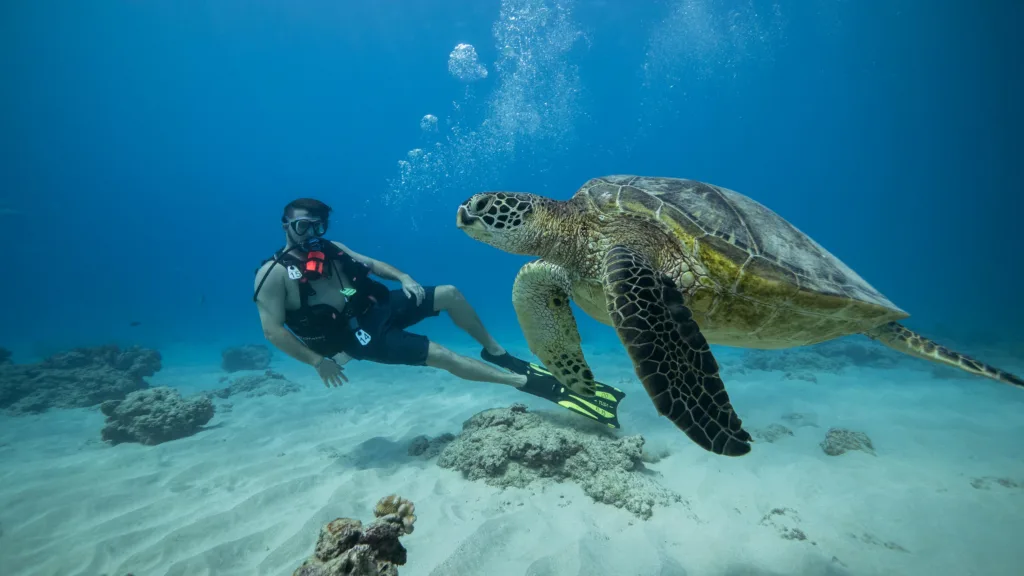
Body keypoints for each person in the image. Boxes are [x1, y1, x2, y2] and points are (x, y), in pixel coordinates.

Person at [252, 198, 623, 425]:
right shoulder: (272, 276)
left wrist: (405, 277)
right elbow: (273, 331)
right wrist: (318, 362)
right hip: (356, 337)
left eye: (320, 225)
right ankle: (526, 384)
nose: (313, 233)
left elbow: (372, 264)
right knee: (442, 355)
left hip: (374, 308)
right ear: (286, 226)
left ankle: (495, 351)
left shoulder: (333, 247)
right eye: (304, 226)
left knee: (449, 293)